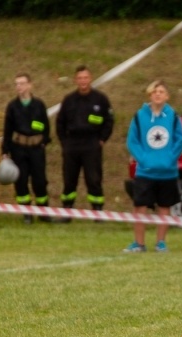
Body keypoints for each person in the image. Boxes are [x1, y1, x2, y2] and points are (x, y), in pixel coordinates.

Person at [124, 80, 182, 252]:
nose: (158, 94)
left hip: (168, 173)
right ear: (150, 95)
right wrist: (144, 160)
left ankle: (161, 243)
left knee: (164, 207)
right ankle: (139, 243)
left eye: (161, 91)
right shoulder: (139, 116)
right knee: (139, 207)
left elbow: (180, 141)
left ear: (167, 96)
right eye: (155, 91)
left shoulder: (173, 116)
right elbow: (132, 141)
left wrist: (169, 159)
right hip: (145, 172)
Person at [56, 65, 114, 221]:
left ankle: (97, 211)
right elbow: (59, 123)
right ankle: (67, 211)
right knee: (69, 180)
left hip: (92, 145)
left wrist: (102, 139)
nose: (83, 81)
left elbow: (109, 121)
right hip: (72, 145)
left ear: (91, 78)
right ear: (75, 80)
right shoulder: (68, 100)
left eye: (85, 78)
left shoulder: (100, 99)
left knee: (94, 179)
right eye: (80, 78)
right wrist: (64, 142)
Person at [2, 73, 52, 224]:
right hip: (19, 149)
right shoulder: (12, 106)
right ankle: (26, 212)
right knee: (21, 181)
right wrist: (5, 151)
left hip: (36, 149)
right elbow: (7, 130)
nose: (19, 87)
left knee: (40, 181)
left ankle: (43, 211)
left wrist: (43, 142)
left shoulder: (39, 105)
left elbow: (46, 127)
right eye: (17, 84)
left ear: (30, 85)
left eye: (22, 84)